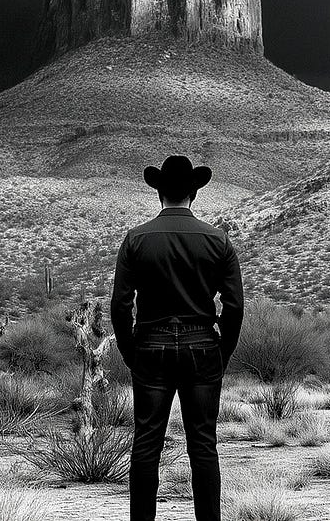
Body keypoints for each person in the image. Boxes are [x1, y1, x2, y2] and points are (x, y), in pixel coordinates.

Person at [111, 155, 244, 521]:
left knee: (146, 443)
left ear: (158, 193)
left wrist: (131, 353)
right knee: (203, 446)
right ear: (194, 193)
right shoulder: (217, 240)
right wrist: (222, 353)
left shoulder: (136, 239)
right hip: (202, 346)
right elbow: (234, 306)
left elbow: (120, 306)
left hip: (150, 347)